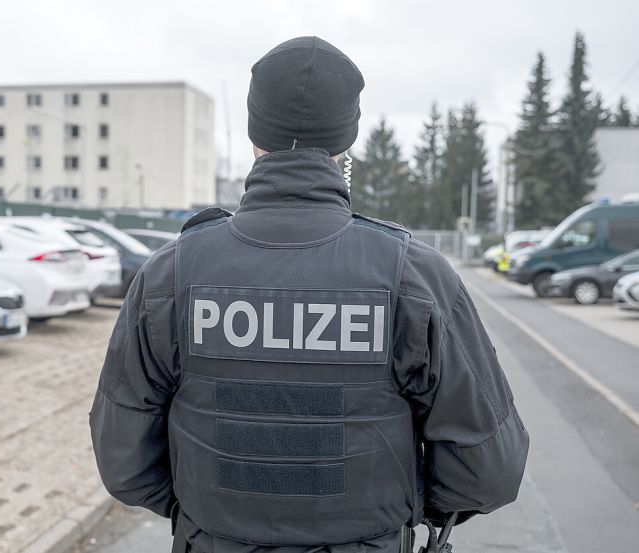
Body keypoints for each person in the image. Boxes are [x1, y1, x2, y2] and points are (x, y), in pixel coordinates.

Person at [89, 36, 529, 553]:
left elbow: (124, 461)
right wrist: (399, 514)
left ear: (256, 138)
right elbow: (490, 470)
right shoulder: (414, 276)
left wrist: (206, 516)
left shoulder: (170, 273)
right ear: (346, 144)